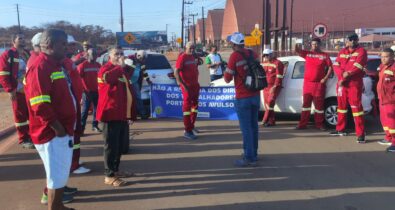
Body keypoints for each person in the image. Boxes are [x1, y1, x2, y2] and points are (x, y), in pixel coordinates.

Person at [24, 29, 76, 210]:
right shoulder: (40, 67)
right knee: (56, 176)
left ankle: (59, 205)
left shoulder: (55, 64)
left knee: (60, 174)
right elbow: (39, 103)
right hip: (52, 133)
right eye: (62, 43)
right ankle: (55, 207)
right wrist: (57, 127)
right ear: (48, 45)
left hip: (62, 130)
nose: (66, 47)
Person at [97, 46, 134, 187]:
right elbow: (108, 79)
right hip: (109, 113)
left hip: (121, 113)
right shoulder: (105, 69)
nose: (119, 56)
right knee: (110, 146)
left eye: (121, 54)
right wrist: (120, 66)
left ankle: (116, 170)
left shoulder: (122, 70)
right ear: (109, 56)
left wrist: (127, 66)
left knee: (118, 146)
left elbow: (131, 78)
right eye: (116, 54)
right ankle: (109, 175)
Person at [224, 32, 259, 167]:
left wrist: (227, 70)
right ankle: (254, 154)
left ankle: (248, 157)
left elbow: (227, 79)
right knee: (254, 127)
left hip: (243, 97)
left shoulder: (234, 56)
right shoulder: (252, 53)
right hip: (255, 95)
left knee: (246, 129)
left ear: (234, 44)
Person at [330, 33, 367, 143]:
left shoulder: (361, 51)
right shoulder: (342, 52)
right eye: (350, 40)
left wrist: (346, 75)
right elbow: (336, 65)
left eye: (354, 39)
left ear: (357, 40)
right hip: (342, 84)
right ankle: (340, 129)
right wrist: (342, 75)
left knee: (357, 110)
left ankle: (360, 134)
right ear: (347, 41)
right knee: (341, 107)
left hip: (354, 84)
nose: (352, 41)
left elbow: (358, 67)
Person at [0, 33, 33, 149]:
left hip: (30, 90)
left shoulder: (27, 54)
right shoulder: (8, 54)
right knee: (20, 115)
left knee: (31, 113)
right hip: (17, 90)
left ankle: (32, 136)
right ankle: (24, 139)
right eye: (20, 38)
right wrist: (10, 90)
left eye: (24, 38)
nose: (23, 40)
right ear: (13, 41)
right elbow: (3, 74)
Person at [295, 38, 333, 130]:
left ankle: (319, 124)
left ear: (320, 45)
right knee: (305, 106)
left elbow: (330, 67)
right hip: (308, 84)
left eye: (316, 44)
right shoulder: (307, 54)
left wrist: (325, 78)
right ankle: (302, 124)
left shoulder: (325, 55)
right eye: (312, 44)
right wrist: (297, 43)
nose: (314, 46)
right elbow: (297, 50)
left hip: (319, 85)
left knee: (319, 107)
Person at [174, 42, 201, 140]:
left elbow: (197, 67)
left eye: (193, 48)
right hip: (187, 87)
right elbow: (176, 72)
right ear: (186, 47)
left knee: (195, 106)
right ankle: (187, 130)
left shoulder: (193, 57)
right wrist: (182, 84)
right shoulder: (182, 57)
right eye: (190, 48)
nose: (192, 50)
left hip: (195, 86)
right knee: (187, 109)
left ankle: (191, 126)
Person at [77, 48, 102, 133]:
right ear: (87, 55)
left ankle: (95, 126)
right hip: (86, 92)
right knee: (84, 111)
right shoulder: (82, 65)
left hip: (97, 92)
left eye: (95, 54)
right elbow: (78, 79)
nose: (94, 56)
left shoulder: (99, 65)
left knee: (97, 109)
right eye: (92, 54)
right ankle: (81, 128)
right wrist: (83, 91)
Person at [376, 48, 395, 152]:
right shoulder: (382, 66)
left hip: (391, 100)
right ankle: (388, 137)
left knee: (392, 123)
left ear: (392, 57)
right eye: (382, 56)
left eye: (386, 56)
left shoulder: (394, 67)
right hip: (382, 99)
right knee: (384, 121)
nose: (383, 59)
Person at [261, 48, 284, 127]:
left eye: (267, 55)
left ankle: (264, 120)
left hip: (274, 86)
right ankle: (271, 121)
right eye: (264, 55)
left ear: (271, 54)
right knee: (267, 104)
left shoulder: (278, 63)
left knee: (270, 102)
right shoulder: (263, 63)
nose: (266, 57)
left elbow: (279, 77)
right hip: (265, 87)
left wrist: (274, 86)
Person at [127, 50, 152, 119]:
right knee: (135, 97)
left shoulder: (142, 63)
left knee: (137, 97)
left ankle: (139, 113)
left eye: (144, 59)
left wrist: (148, 80)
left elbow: (144, 72)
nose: (143, 60)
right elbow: (124, 69)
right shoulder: (130, 59)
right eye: (142, 59)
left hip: (136, 81)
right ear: (138, 56)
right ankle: (141, 113)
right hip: (129, 81)